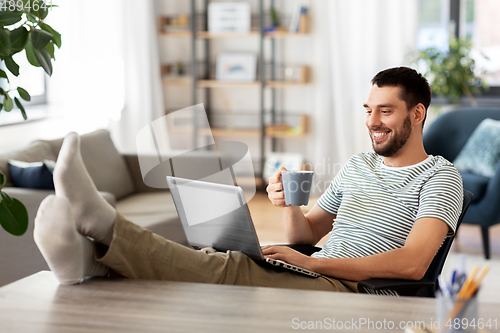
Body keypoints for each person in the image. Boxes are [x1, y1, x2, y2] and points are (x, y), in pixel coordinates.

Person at [34, 67, 463, 293]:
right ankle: (91, 263)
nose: (372, 121)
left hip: (358, 289)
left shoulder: (440, 177)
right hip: (317, 273)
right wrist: (290, 203)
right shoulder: (358, 165)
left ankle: (103, 228)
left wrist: (312, 263)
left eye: (385, 111)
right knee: (210, 258)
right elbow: (307, 232)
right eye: (367, 110)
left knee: (227, 270)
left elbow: (412, 263)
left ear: (417, 113)